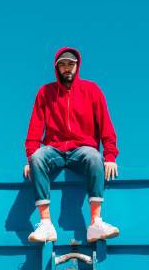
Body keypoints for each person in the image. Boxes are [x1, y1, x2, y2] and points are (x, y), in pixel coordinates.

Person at [23, 47, 120, 243]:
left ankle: (95, 223)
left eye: (71, 64)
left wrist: (110, 157)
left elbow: (106, 126)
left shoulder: (92, 90)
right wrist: (31, 160)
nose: (67, 68)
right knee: (38, 157)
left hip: (81, 150)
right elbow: (35, 128)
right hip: (55, 149)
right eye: (63, 64)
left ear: (77, 66)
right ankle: (46, 224)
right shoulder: (45, 93)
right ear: (57, 68)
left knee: (94, 156)